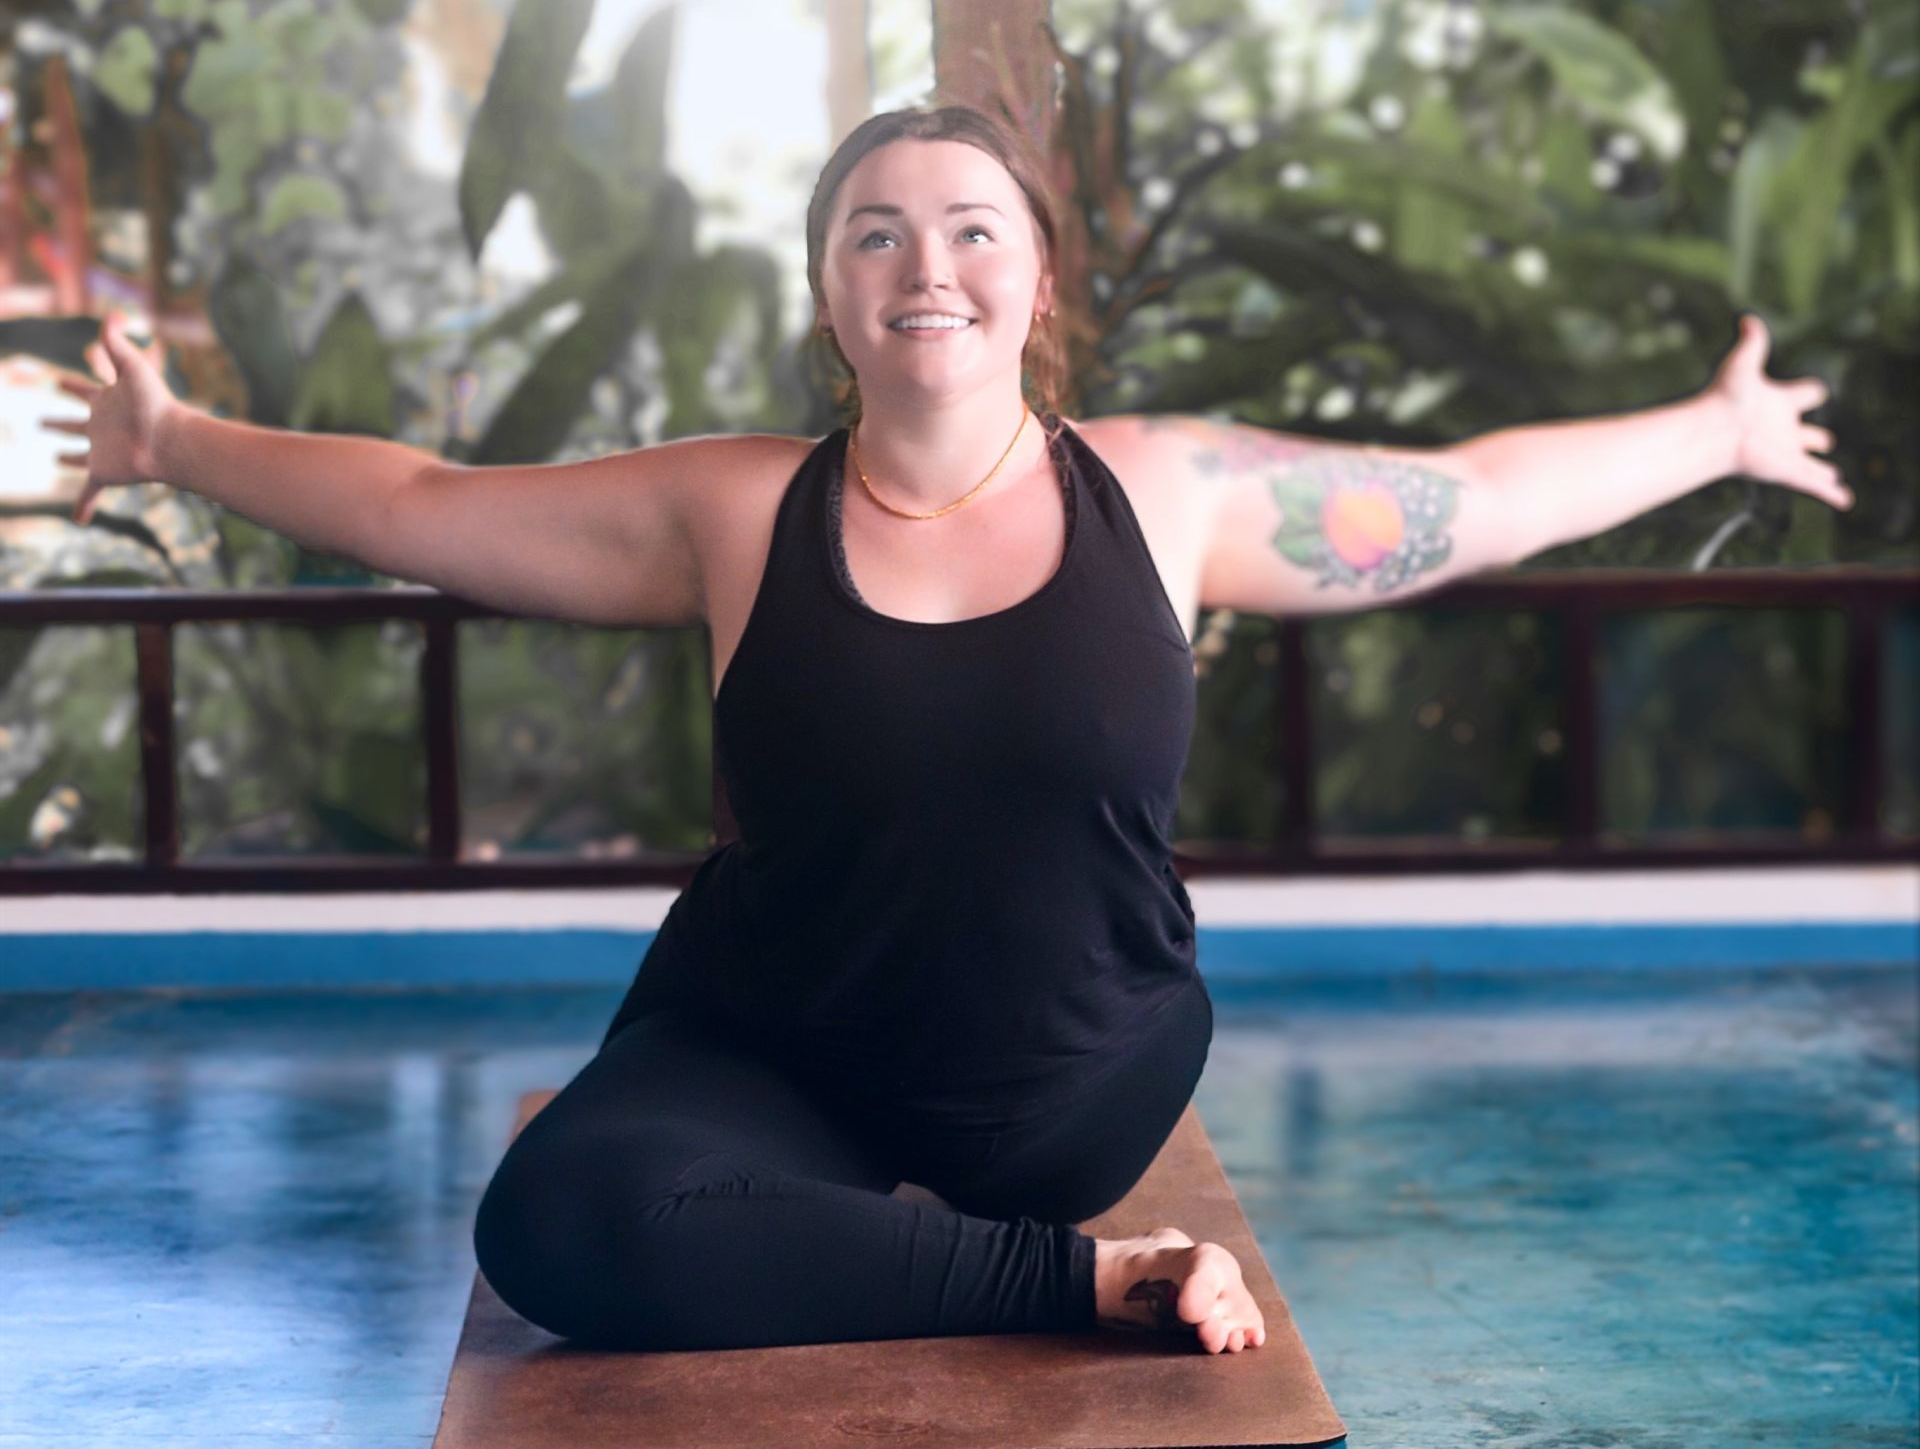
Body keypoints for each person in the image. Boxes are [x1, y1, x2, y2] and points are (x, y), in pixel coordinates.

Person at [43, 103, 1849, 1358]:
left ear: (1036, 286)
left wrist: (1719, 429)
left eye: (975, 228)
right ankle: (1084, 1287)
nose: (930, 262)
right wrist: (174, 441)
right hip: (778, 1051)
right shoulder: (736, 512)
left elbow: (1461, 501)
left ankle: (1005, 1245)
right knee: (552, 1226)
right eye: (876, 231)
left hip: (1062, 1077)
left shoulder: (1169, 491)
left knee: (724, 1212)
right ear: (831, 291)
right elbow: (428, 497)